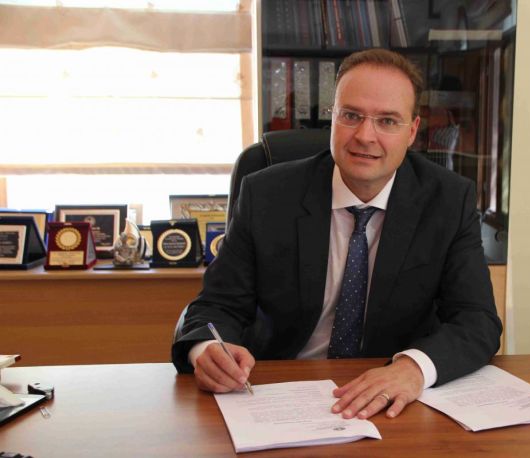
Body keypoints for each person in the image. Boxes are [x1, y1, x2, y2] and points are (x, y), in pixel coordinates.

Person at [172, 48, 502, 420]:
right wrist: (207, 350)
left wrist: (413, 369)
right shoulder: (267, 195)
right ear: (333, 118)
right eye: (351, 115)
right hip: (278, 394)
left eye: (387, 121)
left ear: (412, 131)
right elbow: (216, 306)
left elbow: (477, 320)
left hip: (391, 401)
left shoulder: (448, 200)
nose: (365, 136)